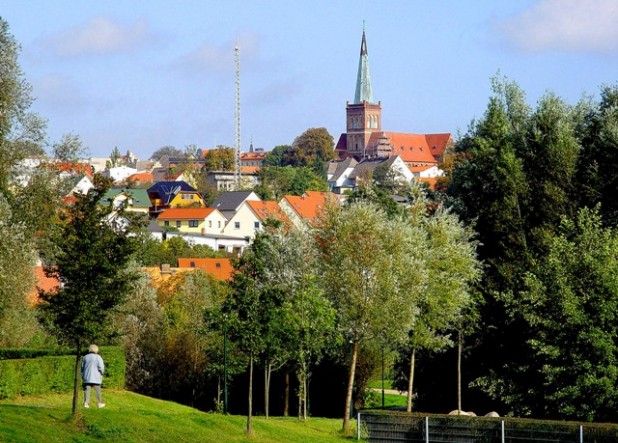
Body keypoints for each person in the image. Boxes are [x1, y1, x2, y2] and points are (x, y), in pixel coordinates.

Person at [81, 344, 105, 409]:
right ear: (96, 350)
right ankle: (100, 403)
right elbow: (101, 367)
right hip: (96, 377)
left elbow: (82, 367)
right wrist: (101, 373)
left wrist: (82, 375)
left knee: (87, 390)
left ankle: (86, 403)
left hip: (87, 377)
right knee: (98, 391)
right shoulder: (98, 357)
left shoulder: (85, 357)